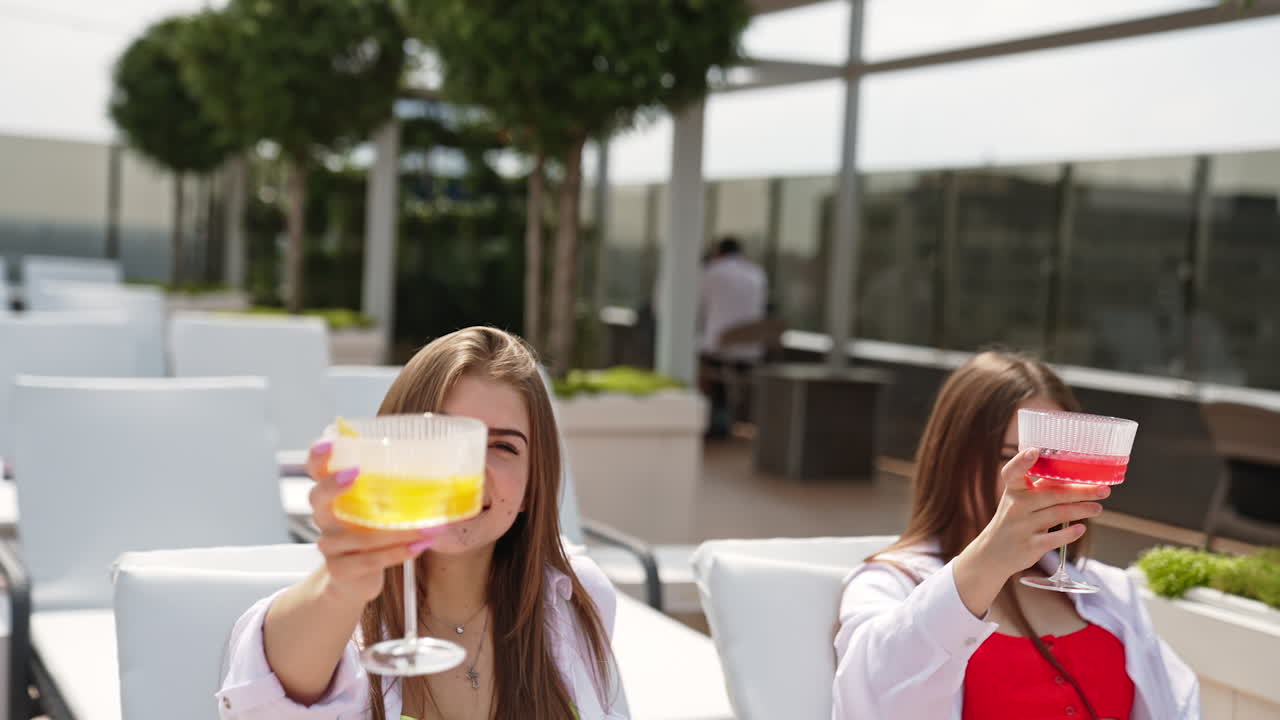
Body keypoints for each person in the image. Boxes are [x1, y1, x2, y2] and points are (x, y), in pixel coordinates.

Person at [217, 327, 625, 719]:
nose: (468, 471)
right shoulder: (336, 619)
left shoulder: (573, 598)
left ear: (533, 483)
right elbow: (270, 702)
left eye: (502, 446)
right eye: (442, 437)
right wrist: (340, 586)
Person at [832, 351, 1199, 720]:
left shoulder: (1110, 591)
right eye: (1012, 457)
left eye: (1054, 457)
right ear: (952, 458)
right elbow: (872, 696)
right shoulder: (890, 585)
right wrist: (988, 558)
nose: (1038, 478)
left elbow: (1178, 704)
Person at [699, 236, 768, 438]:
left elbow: (699, 308)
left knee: (701, 365)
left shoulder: (713, 272)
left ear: (719, 252)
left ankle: (712, 419)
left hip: (721, 348)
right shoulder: (757, 273)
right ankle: (723, 419)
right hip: (752, 350)